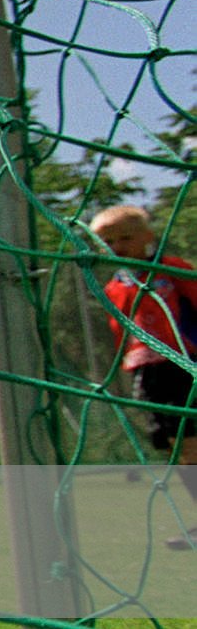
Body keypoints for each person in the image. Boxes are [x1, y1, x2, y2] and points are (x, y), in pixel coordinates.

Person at [91, 205, 197, 545]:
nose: (117, 246)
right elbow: (120, 331)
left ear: (148, 237)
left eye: (125, 237)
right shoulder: (115, 287)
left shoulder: (169, 269)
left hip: (184, 364)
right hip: (148, 372)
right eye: (108, 241)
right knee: (171, 445)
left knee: (191, 443)